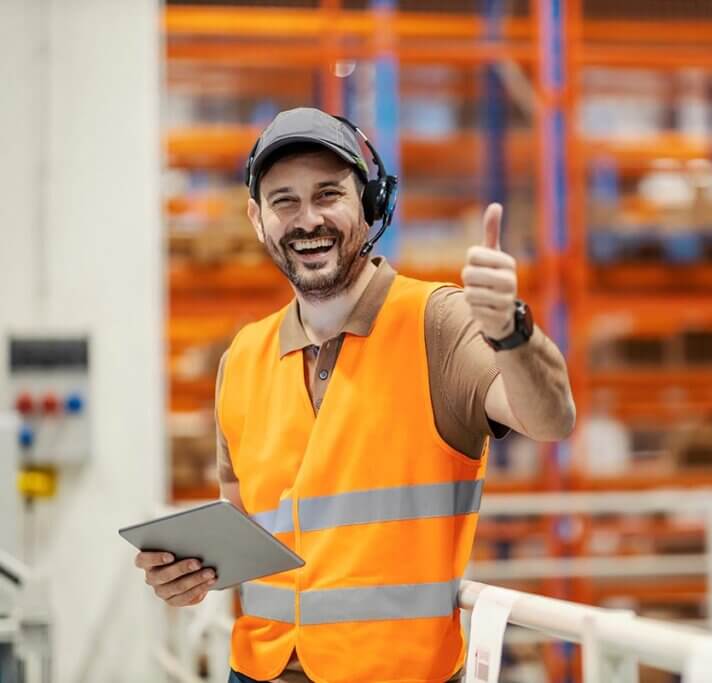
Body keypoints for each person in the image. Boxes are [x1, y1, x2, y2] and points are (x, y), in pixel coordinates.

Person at [133, 107, 575, 683]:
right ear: (258, 218)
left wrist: (512, 330)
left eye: (328, 194)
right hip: (256, 671)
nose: (307, 219)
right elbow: (242, 528)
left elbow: (550, 419)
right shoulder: (242, 356)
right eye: (284, 201)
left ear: (369, 206)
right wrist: (189, 575)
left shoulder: (437, 322)